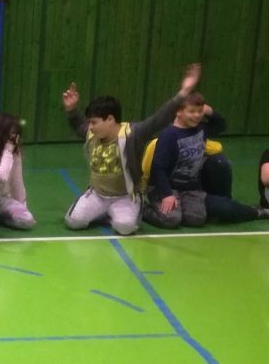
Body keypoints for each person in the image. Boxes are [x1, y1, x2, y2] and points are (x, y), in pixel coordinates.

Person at [62, 63, 201, 235]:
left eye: (94, 122)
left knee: (125, 228)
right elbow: (78, 125)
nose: (90, 126)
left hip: (124, 197)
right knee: (74, 221)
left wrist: (183, 93)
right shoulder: (93, 134)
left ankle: (123, 211)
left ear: (110, 119)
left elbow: (159, 119)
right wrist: (71, 110)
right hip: (97, 195)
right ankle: (103, 212)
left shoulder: (132, 134)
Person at [143, 95, 268, 227]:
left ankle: (181, 209)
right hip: (168, 188)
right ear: (178, 111)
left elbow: (221, 125)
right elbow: (158, 167)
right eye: (191, 111)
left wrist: (210, 111)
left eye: (199, 111)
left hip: (190, 190)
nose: (197, 115)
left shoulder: (201, 129)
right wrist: (167, 194)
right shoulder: (169, 135)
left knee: (196, 219)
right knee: (171, 219)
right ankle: (144, 210)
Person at [0, 113, 36, 229]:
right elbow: (1, 177)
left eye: (16, 133)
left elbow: (17, 182)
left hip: (1, 200)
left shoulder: (13, 153)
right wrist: (8, 150)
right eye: (11, 133)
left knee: (27, 220)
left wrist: (22, 206)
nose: (14, 136)